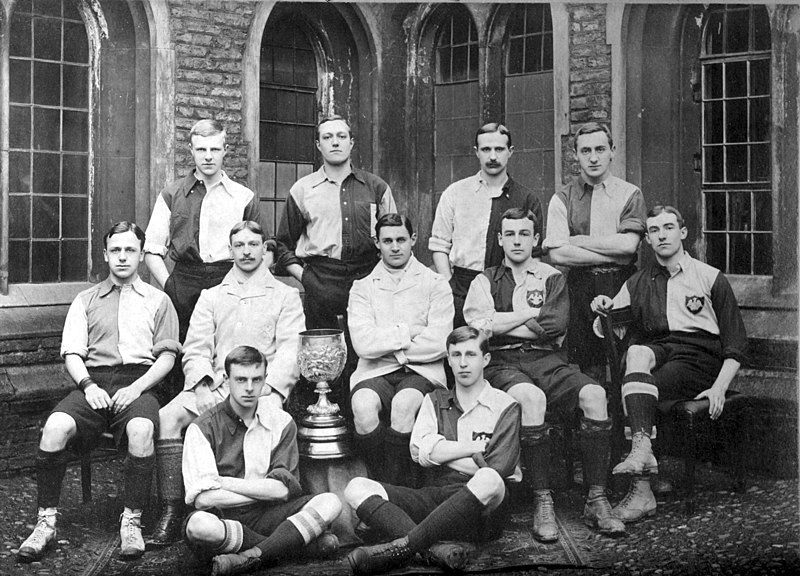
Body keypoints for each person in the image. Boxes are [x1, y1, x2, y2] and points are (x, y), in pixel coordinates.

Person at [17, 222, 180, 562]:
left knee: (141, 429)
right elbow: (73, 354)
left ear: (140, 254)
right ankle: (45, 522)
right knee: (55, 427)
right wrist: (88, 386)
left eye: (130, 250)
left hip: (140, 381)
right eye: (116, 250)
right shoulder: (85, 299)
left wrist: (136, 388)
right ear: (105, 255)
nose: (123, 257)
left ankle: (131, 522)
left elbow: (167, 357)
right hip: (93, 382)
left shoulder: (159, 300)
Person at [463, 208, 625, 540]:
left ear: (536, 239)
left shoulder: (552, 276)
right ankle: (543, 500)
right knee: (531, 398)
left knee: (595, 395)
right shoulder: (485, 279)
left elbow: (555, 326)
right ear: (500, 239)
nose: (517, 240)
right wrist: (527, 315)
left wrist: (502, 322)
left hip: (550, 360)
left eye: (524, 234)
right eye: (510, 234)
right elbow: (479, 327)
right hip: (504, 364)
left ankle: (596, 499)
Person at [148, 221, 305, 548]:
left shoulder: (286, 296)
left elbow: (291, 348)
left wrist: (274, 393)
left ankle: (253, 507)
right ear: (230, 250)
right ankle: (172, 508)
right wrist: (202, 384)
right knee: (167, 419)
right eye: (239, 245)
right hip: (217, 384)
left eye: (253, 244)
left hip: (259, 388)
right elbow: (196, 347)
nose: (247, 251)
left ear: (265, 250)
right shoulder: (212, 296)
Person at [591, 205, 747, 523]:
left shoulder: (709, 277)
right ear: (647, 239)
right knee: (635, 356)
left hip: (698, 358)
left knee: (636, 391)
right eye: (654, 231)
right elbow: (606, 327)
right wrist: (602, 308)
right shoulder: (638, 282)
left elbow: (736, 345)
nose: (661, 235)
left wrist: (719, 388)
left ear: (683, 232)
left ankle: (642, 491)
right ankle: (642, 455)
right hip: (659, 351)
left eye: (668, 228)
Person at [344, 327, 521, 576]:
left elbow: (499, 467)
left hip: (481, 511)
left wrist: (441, 452)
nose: (463, 363)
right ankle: (434, 549)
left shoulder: (506, 404)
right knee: (356, 487)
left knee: (489, 478)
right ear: (448, 360)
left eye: (471, 355)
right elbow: (420, 452)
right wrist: (473, 449)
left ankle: (404, 547)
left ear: (486, 359)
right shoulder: (434, 400)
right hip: (435, 499)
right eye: (456, 355)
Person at [273, 114, 396, 415]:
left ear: (352, 142)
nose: (335, 142)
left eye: (341, 136)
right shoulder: (303, 190)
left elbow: (392, 238)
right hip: (321, 279)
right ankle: (317, 426)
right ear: (318, 144)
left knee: (363, 358)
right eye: (328, 137)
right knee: (320, 361)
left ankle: (360, 434)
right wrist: (306, 278)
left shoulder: (376, 188)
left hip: (366, 279)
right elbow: (281, 246)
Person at [182, 346, 342, 576]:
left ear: (265, 379)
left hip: (269, 514)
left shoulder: (281, 421)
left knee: (330, 501)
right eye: (241, 379)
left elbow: (281, 492)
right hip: (225, 517)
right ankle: (290, 546)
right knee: (199, 526)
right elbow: (204, 499)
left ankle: (251, 557)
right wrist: (263, 489)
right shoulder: (202, 427)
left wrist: (226, 482)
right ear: (226, 380)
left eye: (256, 380)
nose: (249, 388)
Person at [347, 213, 453, 486]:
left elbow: (440, 341)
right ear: (377, 243)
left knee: (404, 405)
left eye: (401, 240)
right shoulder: (362, 288)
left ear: (413, 240)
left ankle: (392, 490)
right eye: (388, 241)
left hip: (422, 370)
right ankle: (379, 483)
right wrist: (409, 333)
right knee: (362, 407)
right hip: (375, 371)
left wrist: (391, 347)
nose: (395, 247)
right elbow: (363, 343)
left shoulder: (435, 283)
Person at [144, 119, 268, 344]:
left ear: (225, 151)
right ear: (191, 150)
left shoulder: (243, 197)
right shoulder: (171, 194)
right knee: (185, 354)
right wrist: (171, 287)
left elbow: (265, 250)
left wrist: (247, 287)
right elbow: (151, 250)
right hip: (184, 283)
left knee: (230, 351)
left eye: (214, 149)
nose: (208, 156)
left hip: (229, 280)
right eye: (201, 149)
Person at [544, 122, 646, 374]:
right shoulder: (562, 198)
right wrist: (613, 251)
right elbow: (557, 254)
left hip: (621, 283)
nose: (593, 158)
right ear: (575, 155)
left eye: (600, 149)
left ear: (612, 151)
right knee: (589, 365)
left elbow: (629, 245)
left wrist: (578, 241)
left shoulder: (630, 194)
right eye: (585, 151)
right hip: (580, 285)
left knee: (625, 359)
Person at [429, 122, 542, 327]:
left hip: (509, 286)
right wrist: (448, 286)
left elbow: (535, 254)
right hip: (462, 288)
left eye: (499, 149)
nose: (492, 156)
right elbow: (439, 245)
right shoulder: (455, 193)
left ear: (510, 152)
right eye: (486, 149)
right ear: (476, 152)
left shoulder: (527, 199)